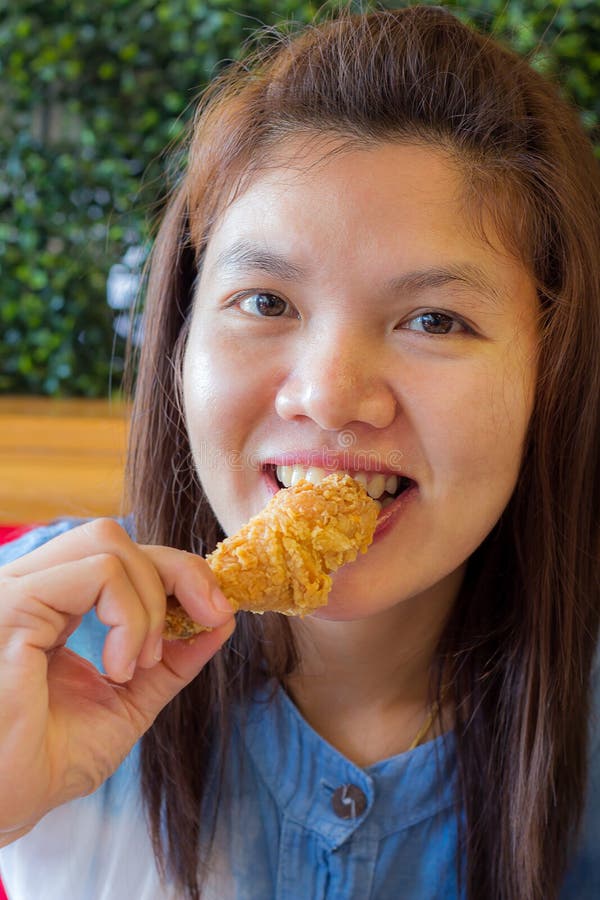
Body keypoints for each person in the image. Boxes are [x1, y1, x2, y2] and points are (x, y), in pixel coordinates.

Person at [0, 5, 598, 899]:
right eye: (266, 302)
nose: (327, 394)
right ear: (180, 342)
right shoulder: (31, 642)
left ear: (551, 375)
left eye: (433, 319)